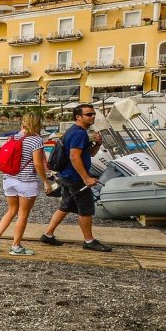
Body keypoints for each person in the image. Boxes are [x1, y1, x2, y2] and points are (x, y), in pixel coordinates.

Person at [39, 104, 112, 252]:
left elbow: (89, 154)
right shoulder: (79, 133)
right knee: (85, 209)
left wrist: (97, 144)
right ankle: (89, 241)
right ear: (78, 117)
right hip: (75, 178)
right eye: (89, 114)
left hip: (66, 175)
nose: (93, 116)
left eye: (93, 114)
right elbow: (74, 157)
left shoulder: (75, 132)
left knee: (65, 206)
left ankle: (48, 234)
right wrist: (86, 178)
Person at [0, 113, 52, 256]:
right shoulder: (36, 140)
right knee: (22, 215)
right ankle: (16, 246)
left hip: (9, 179)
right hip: (26, 181)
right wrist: (45, 181)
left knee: (11, 210)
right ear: (37, 124)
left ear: (23, 123)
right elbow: (37, 163)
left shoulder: (14, 137)